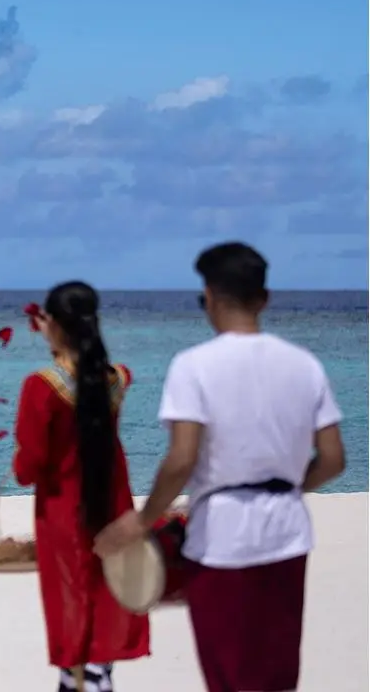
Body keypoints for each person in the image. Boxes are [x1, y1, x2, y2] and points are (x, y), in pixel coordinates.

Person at [95, 243, 345, 692]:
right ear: (264, 299)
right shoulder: (304, 365)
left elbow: (182, 459)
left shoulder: (193, 366)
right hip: (288, 531)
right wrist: (288, 487)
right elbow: (332, 459)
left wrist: (143, 519)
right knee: (276, 677)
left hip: (222, 535)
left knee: (227, 675)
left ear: (209, 297)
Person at [13, 281, 150, 692]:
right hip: (111, 504)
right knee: (106, 590)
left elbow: (29, 465)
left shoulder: (42, 386)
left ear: (52, 323)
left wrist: (19, 465)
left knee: (70, 595)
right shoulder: (117, 379)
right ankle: (97, 672)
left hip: (64, 509)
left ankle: (80, 676)